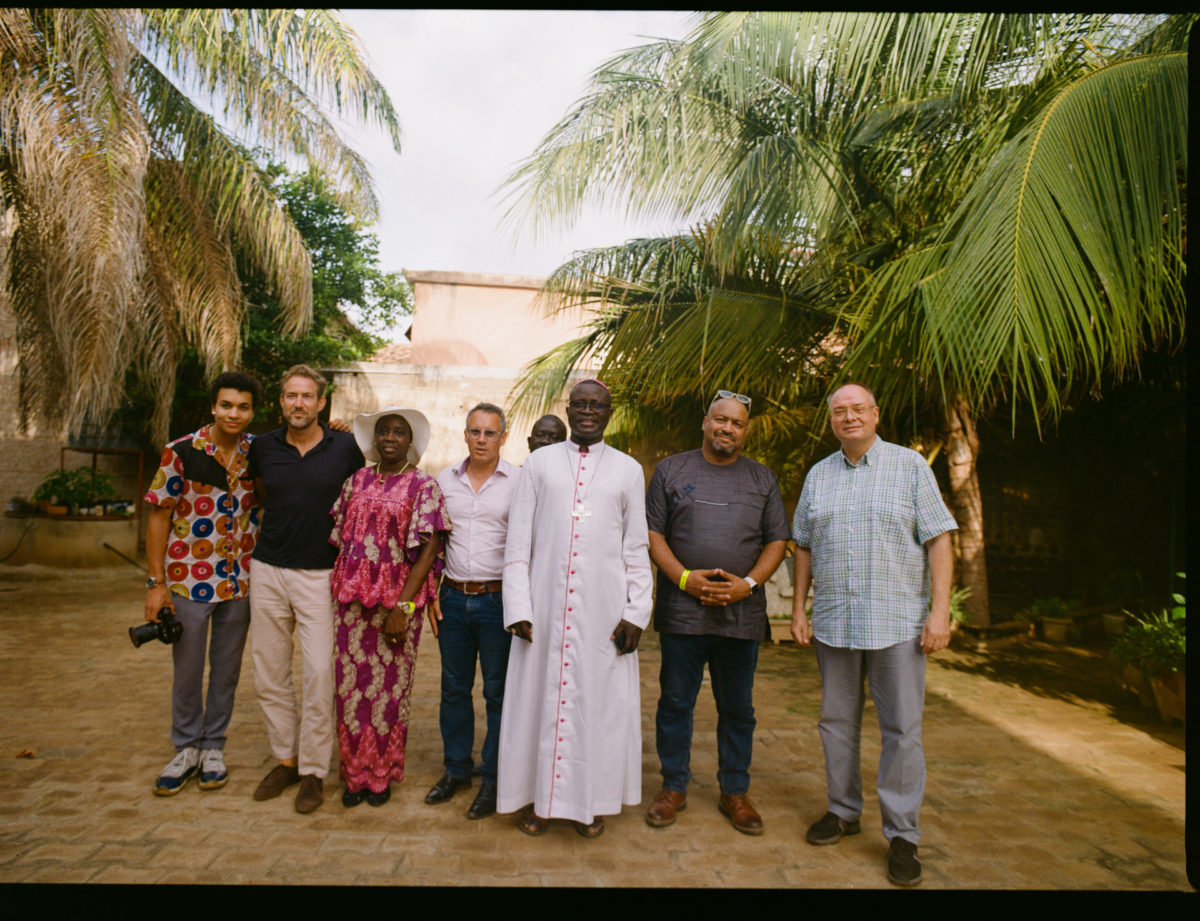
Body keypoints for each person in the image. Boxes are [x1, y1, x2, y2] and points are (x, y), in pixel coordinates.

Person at [790, 382, 956, 887]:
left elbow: (939, 539)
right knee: (835, 722)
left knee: (901, 730)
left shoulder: (910, 467)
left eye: (858, 409)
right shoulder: (819, 475)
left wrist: (940, 613)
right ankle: (842, 810)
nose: (849, 417)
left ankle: (902, 835)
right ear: (831, 421)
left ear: (876, 414)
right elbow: (803, 546)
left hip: (897, 623)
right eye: (839, 411)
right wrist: (798, 609)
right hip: (835, 621)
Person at [497, 379, 652, 838]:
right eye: (579, 404)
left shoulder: (628, 470)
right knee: (538, 704)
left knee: (598, 708)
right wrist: (518, 606)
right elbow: (518, 543)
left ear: (609, 412)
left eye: (596, 405)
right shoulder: (539, 463)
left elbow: (636, 548)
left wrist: (636, 613)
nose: (587, 411)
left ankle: (592, 802)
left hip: (603, 613)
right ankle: (539, 802)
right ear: (567, 410)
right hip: (543, 609)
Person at [643, 390, 789, 834]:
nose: (727, 428)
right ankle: (673, 787)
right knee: (675, 702)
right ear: (705, 422)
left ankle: (735, 791)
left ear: (746, 431)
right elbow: (653, 535)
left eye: (737, 423)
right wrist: (685, 579)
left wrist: (748, 585)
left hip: (741, 614)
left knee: (738, 706)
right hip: (683, 611)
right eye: (720, 419)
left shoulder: (762, 479)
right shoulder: (671, 470)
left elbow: (776, 542)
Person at [245, 364, 365, 814]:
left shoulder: (346, 447)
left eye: (307, 396)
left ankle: (314, 770)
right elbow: (262, 496)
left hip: (320, 574)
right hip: (268, 569)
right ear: (282, 401)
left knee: (318, 673)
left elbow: (359, 498)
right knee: (269, 672)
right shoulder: (263, 447)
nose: (299, 403)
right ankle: (286, 761)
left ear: (321, 402)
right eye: (291, 396)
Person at [144, 371, 263, 795]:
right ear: (213, 406)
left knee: (227, 670)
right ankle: (185, 748)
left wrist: (338, 427)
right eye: (226, 405)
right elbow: (158, 517)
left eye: (243, 407)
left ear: (252, 412)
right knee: (188, 669)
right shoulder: (180, 452)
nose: (234, 413)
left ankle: (213, 747)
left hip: (240, 581)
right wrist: (156, 584)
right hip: (187, 581)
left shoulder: (259, 453)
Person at [330, 407, 448, 808]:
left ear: (410, 441)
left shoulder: (423, 486)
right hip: (351, 604)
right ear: (374, 439)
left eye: (399, 432)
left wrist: (404, 607)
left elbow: (428, 551)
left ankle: (379, 775)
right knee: (350, 690)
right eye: (384, 431)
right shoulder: (356, 481)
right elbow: (341, 539)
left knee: (388, 693)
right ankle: (354, 775)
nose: (390, 438)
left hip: (396, 605)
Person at [424, 402, 518, 819]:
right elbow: (433, 541)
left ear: (503, 437)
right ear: (465, 435)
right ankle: (457, 770)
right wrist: (430, 592)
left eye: (490, 433)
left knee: (498, 692)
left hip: (498, 601)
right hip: (454, 598)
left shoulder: (519, 481)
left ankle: (493, 779)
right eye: (475, 432)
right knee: (454, 689)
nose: (482, 440)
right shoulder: (444, 480)